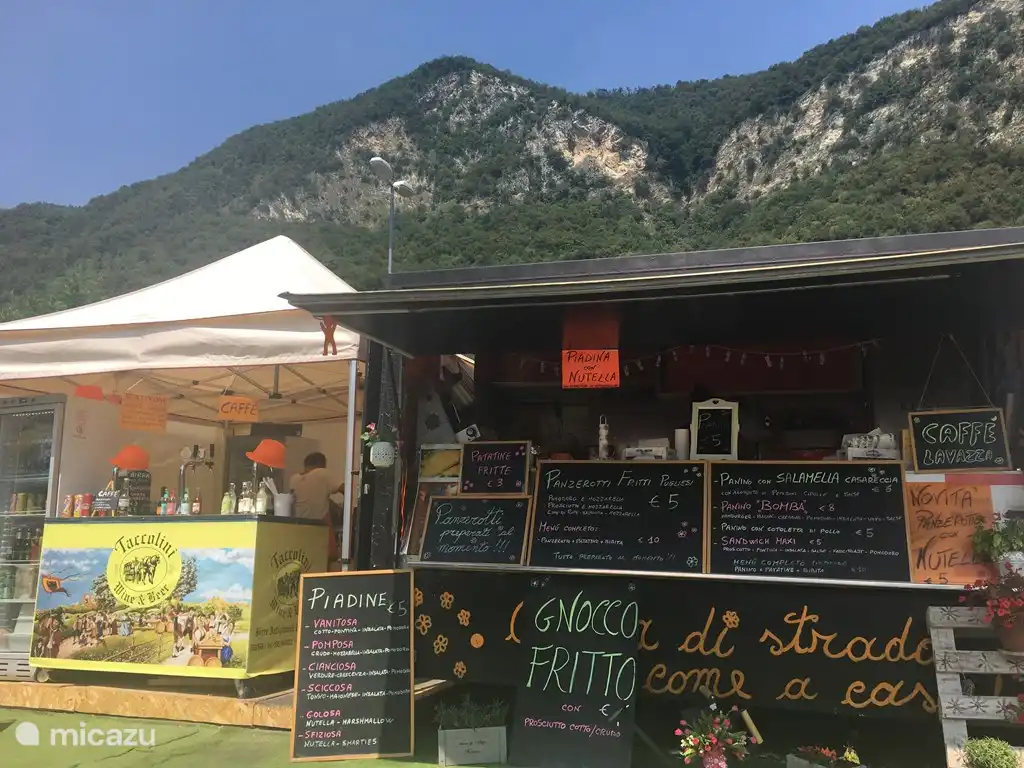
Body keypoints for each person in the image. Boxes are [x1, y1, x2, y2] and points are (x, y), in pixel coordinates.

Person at [290, 452, 342, 561]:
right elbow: (344, 488)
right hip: (319, 525)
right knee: (327, 560)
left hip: (299, 528)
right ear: (322, 464)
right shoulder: (322, 473)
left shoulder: (294, 479)